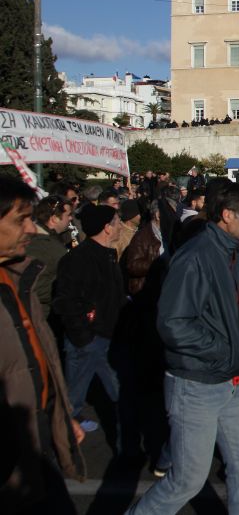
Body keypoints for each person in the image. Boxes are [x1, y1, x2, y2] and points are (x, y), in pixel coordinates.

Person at [126, 183, 239, 515]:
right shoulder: (197, 255)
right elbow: (173, 322)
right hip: (196, 384)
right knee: (187, 480)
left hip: (227, 381)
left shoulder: (231, 253)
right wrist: (221, 350)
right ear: (227, 215)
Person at [0, 177, 85, 514]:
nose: (31, 230)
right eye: (20, 219)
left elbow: (38, 361)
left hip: (35, 445)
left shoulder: (19, 278)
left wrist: (61, 418)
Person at [51, 204, 127, 437]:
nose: (120, 226)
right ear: (106, 228)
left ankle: (125, 431)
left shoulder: (107, 254)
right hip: (89, 339)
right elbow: (67, 300)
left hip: (106, 336)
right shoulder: (79, 259)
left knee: (118, 391)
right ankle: (63, 435)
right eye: (116, 221)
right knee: (75, 392)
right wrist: (84, 337)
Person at [24, 196, 73, 318]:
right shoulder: (49, 247)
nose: (71, 219)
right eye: (68, 215)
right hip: (42, 314)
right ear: (55, 218)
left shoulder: (52, 239)